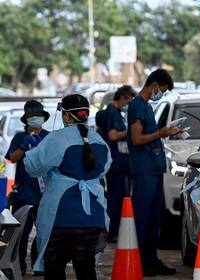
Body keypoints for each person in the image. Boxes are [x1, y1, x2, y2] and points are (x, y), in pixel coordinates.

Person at [24, 94, 112, 279]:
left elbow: (32, 167)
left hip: (60, 217)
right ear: (86, 115)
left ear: (65, 116)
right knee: (86, 270)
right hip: (92, 217)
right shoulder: (100, 141)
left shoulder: (57, 139)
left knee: (54, 270)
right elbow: (104, 169)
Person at [127, 69, 180, 276]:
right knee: (143, 218)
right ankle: (141, 261)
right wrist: (161, 133)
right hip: (144, 171)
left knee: (154, 219)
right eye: (162, 91)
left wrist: (167, 133)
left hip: (154, 170)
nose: (161, 95)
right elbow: (137, 138)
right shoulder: (138, 106)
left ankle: (151, 258)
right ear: (155, 85)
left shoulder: (146, 107)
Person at [5, 100, 50, 276]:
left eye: (38, 115)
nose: (35, 118)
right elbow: (12, 158)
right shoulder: (19, 137)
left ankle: (40, 266)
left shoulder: (49, 137)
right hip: (23, 192)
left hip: (45, 193)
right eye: (31, 116)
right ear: (26, 119)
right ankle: (19, 265)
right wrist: (24, 147)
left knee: (44, 232)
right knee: (20, 234)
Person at [100, 85, 136, 242]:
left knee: (119, 198)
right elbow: (113, 135)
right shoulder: (112, 113)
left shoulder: (116, 113)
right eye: (129, 100)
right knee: (115, 199)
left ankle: (112, 230)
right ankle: (110, 231)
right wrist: (131, 131)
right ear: (123, 98)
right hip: (116, 164)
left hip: (120, 163)